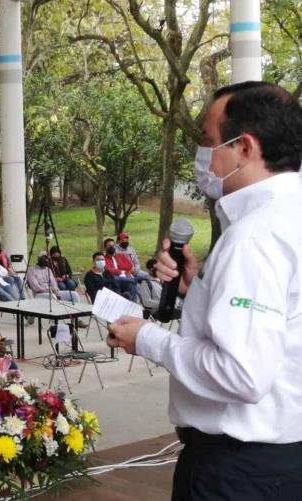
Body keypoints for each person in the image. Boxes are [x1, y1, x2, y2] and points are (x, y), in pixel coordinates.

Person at [107, 81, 302, 500]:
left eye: (210, 142)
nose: (203, 158)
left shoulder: (255, 237)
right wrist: (195, 288)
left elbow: (242, 374)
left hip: (240, 471)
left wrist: (148, 339)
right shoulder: (290, 215)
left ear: (245, 148)